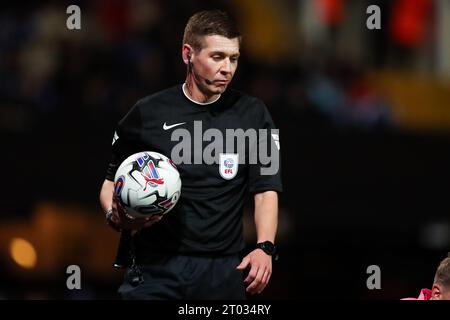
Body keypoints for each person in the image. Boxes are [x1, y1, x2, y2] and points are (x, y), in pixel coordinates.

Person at [99, 10, 282, 300]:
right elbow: (111, 182)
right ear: (188, 54)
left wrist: (264, 247)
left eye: (233, 58)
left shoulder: (254, 114)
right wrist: (116, 216)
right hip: (154, 269)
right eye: (217, 57)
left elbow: (266, 189)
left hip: (222, 271)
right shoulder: (147, 113)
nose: (227, 68)